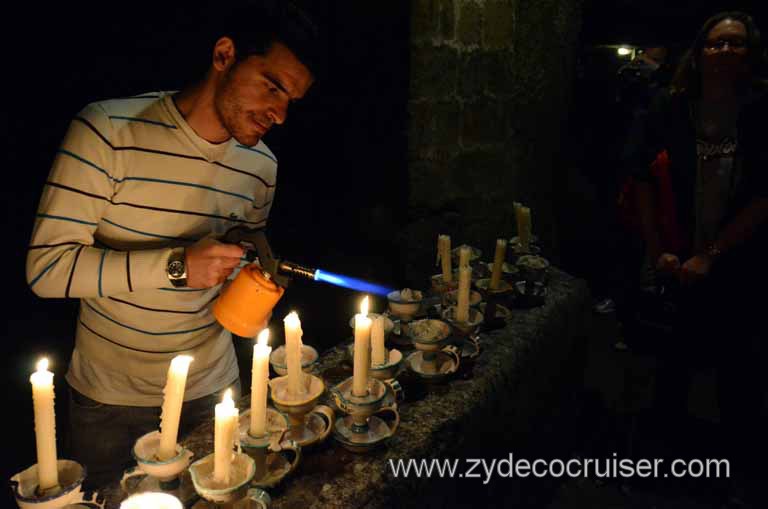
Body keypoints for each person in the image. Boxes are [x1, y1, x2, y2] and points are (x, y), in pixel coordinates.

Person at [25, 2, 320, 488]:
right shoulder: (107, 131)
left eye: (292, 100)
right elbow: (46, 269)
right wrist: (177, 267)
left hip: (213, 389)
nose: (280, 114)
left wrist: (251, 292)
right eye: (272, 87)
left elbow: (236, 261)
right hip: (111, 398)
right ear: (225, 54)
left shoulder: (260, 166)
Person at [629, 11, 768, 505]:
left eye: (736, 43)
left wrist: (712, 254)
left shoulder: (761, 111)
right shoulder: (671, 108)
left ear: (750, 53)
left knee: (739, 361)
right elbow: (642, 178)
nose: (725, 51)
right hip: (675, 250)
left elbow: (763, 194)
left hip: (739, 255)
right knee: (673, 358)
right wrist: (657, 249)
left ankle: (737, 470)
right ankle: (663, 467)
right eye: (716, 43)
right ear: (700, 50)